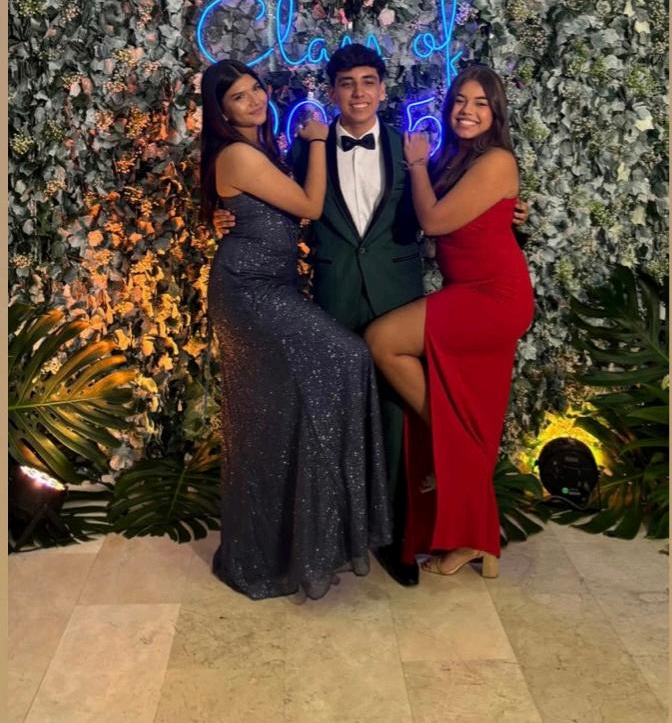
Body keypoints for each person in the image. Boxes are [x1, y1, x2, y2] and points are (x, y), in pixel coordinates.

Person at [214, 45, 529, 588]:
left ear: (383, 89)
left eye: (368, 82)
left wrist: (518, 215)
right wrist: (224, 218)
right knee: (339, 416)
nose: (358, 93)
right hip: (335, 293)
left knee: (394, 417)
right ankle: (343, 533)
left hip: (396, 294)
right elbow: (264, 203)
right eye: (346, 83)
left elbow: (469, 211)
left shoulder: (417, 153)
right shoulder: (302, 151)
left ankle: (398, 539)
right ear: (332, 92)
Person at [200, 58, 391, 601]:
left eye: (256, 89)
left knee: (274, 422)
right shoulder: (240, 153)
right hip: (250, 294)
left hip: (273, 287)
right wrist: (318, 141)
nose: (255, 100)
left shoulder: (257, 149)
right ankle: (290, 547)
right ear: (221, 111)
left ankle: (289, 547)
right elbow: (308, 205)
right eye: (239, 97)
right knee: (348, 358)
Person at [364, 65, 534, 579]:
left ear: (496, 113)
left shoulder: (497, 159)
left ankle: (451, 448)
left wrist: (416, 164)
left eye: (481, 103)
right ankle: (477, 540)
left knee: (383, 340)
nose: (467, 110)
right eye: (461, 100)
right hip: (470, 291)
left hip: (494, 296)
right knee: (464, 409)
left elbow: (435, 221)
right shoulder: (459, 158)